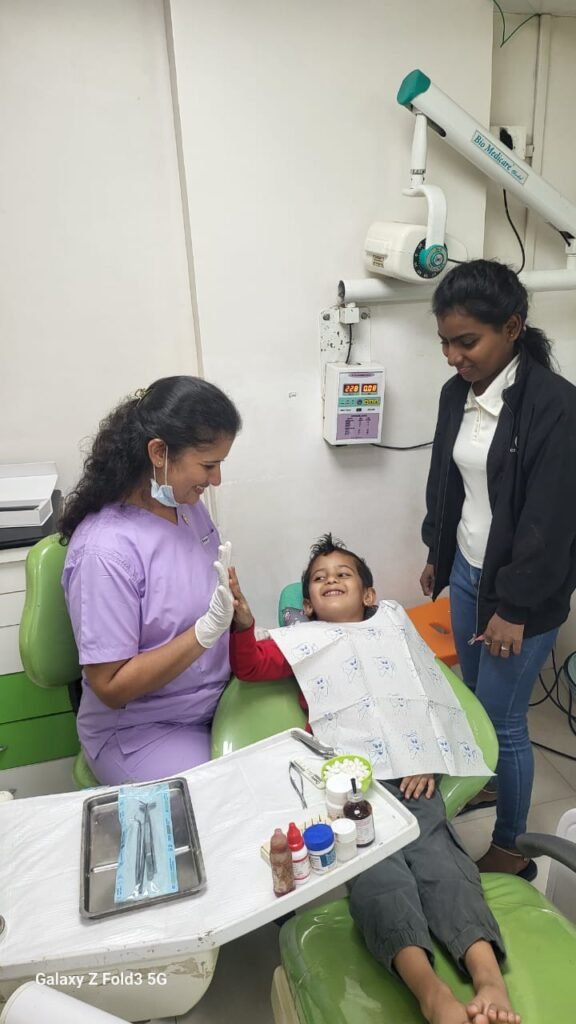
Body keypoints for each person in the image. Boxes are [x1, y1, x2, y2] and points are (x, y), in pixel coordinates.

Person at [230, 534, 520, 1024]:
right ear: (308, 605)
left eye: (343, 574)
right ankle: (429, 991)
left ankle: (488, 976)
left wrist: (425, 754)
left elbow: (432, 692)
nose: (331, 580)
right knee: (377, 874)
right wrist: (242, 625)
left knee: (442, 860)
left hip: (412, 777)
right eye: (319, 578)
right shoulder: (302, 640)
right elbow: (250, 666)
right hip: (349, 788)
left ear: (368, 593)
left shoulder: (393, 626)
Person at [420, 259, 576, 879]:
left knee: (503, 720)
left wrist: (514, 608)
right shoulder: (455, 394)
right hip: (467, 569)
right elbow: (445, 481)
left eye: (466, 341)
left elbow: (551, 523)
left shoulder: (555, 407)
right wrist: (437, 552)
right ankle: (487, 784)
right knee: (473, 704)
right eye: (444, 343)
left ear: (511, 328)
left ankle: (512, 847)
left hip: (522, 593)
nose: (453, 357)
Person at [60, 375, 241, 785]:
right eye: (208, 465)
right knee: (227, 799)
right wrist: (205, 632)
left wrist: (236, 616)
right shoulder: (105, 552)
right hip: (143, 732)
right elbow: (111, 685)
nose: (215, 480)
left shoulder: (185, 506)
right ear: (159, 452)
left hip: (214, 699)